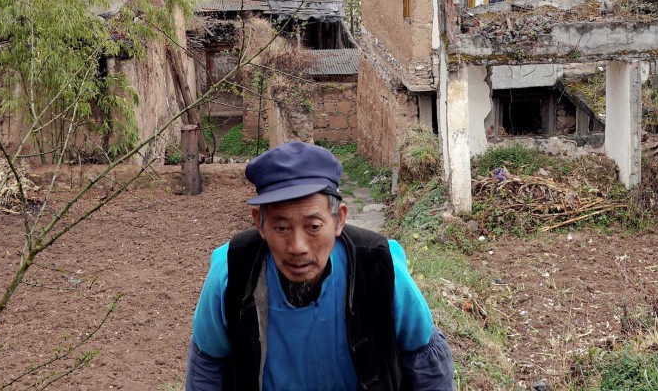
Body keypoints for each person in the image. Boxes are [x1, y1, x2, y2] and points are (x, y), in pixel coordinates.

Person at [185, 141, 455, 391]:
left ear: (338, 220)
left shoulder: (379, 268)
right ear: (259, 223)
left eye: (313, 226)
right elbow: (207, 369)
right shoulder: (232, 272)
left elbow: (427, 365)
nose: (298, 246)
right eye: (281, 227)